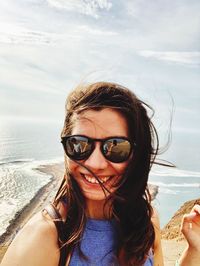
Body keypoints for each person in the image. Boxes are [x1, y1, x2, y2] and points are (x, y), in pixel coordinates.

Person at [1, 82, 200, 266]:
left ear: (136, 155)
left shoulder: (145, 220)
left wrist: (195, 249)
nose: (95, 164)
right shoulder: (43, 239)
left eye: (115, 147)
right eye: (79, 145)